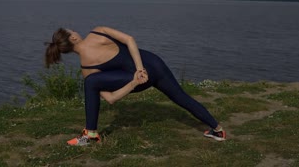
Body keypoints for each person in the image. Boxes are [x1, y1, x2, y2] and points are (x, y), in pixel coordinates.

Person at [44, 26, 226, 146]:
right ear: (73, 37)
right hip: (152, 64)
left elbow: (111, 99)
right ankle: (218, 130)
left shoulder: (87, 69)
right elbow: (129, 39)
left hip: (139, 76)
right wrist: (138, 73)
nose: (75, 30)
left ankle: (90, 134)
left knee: (91, 82)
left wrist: (136, 76)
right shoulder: (97, 32)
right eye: (72, 30)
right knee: (181, 97)